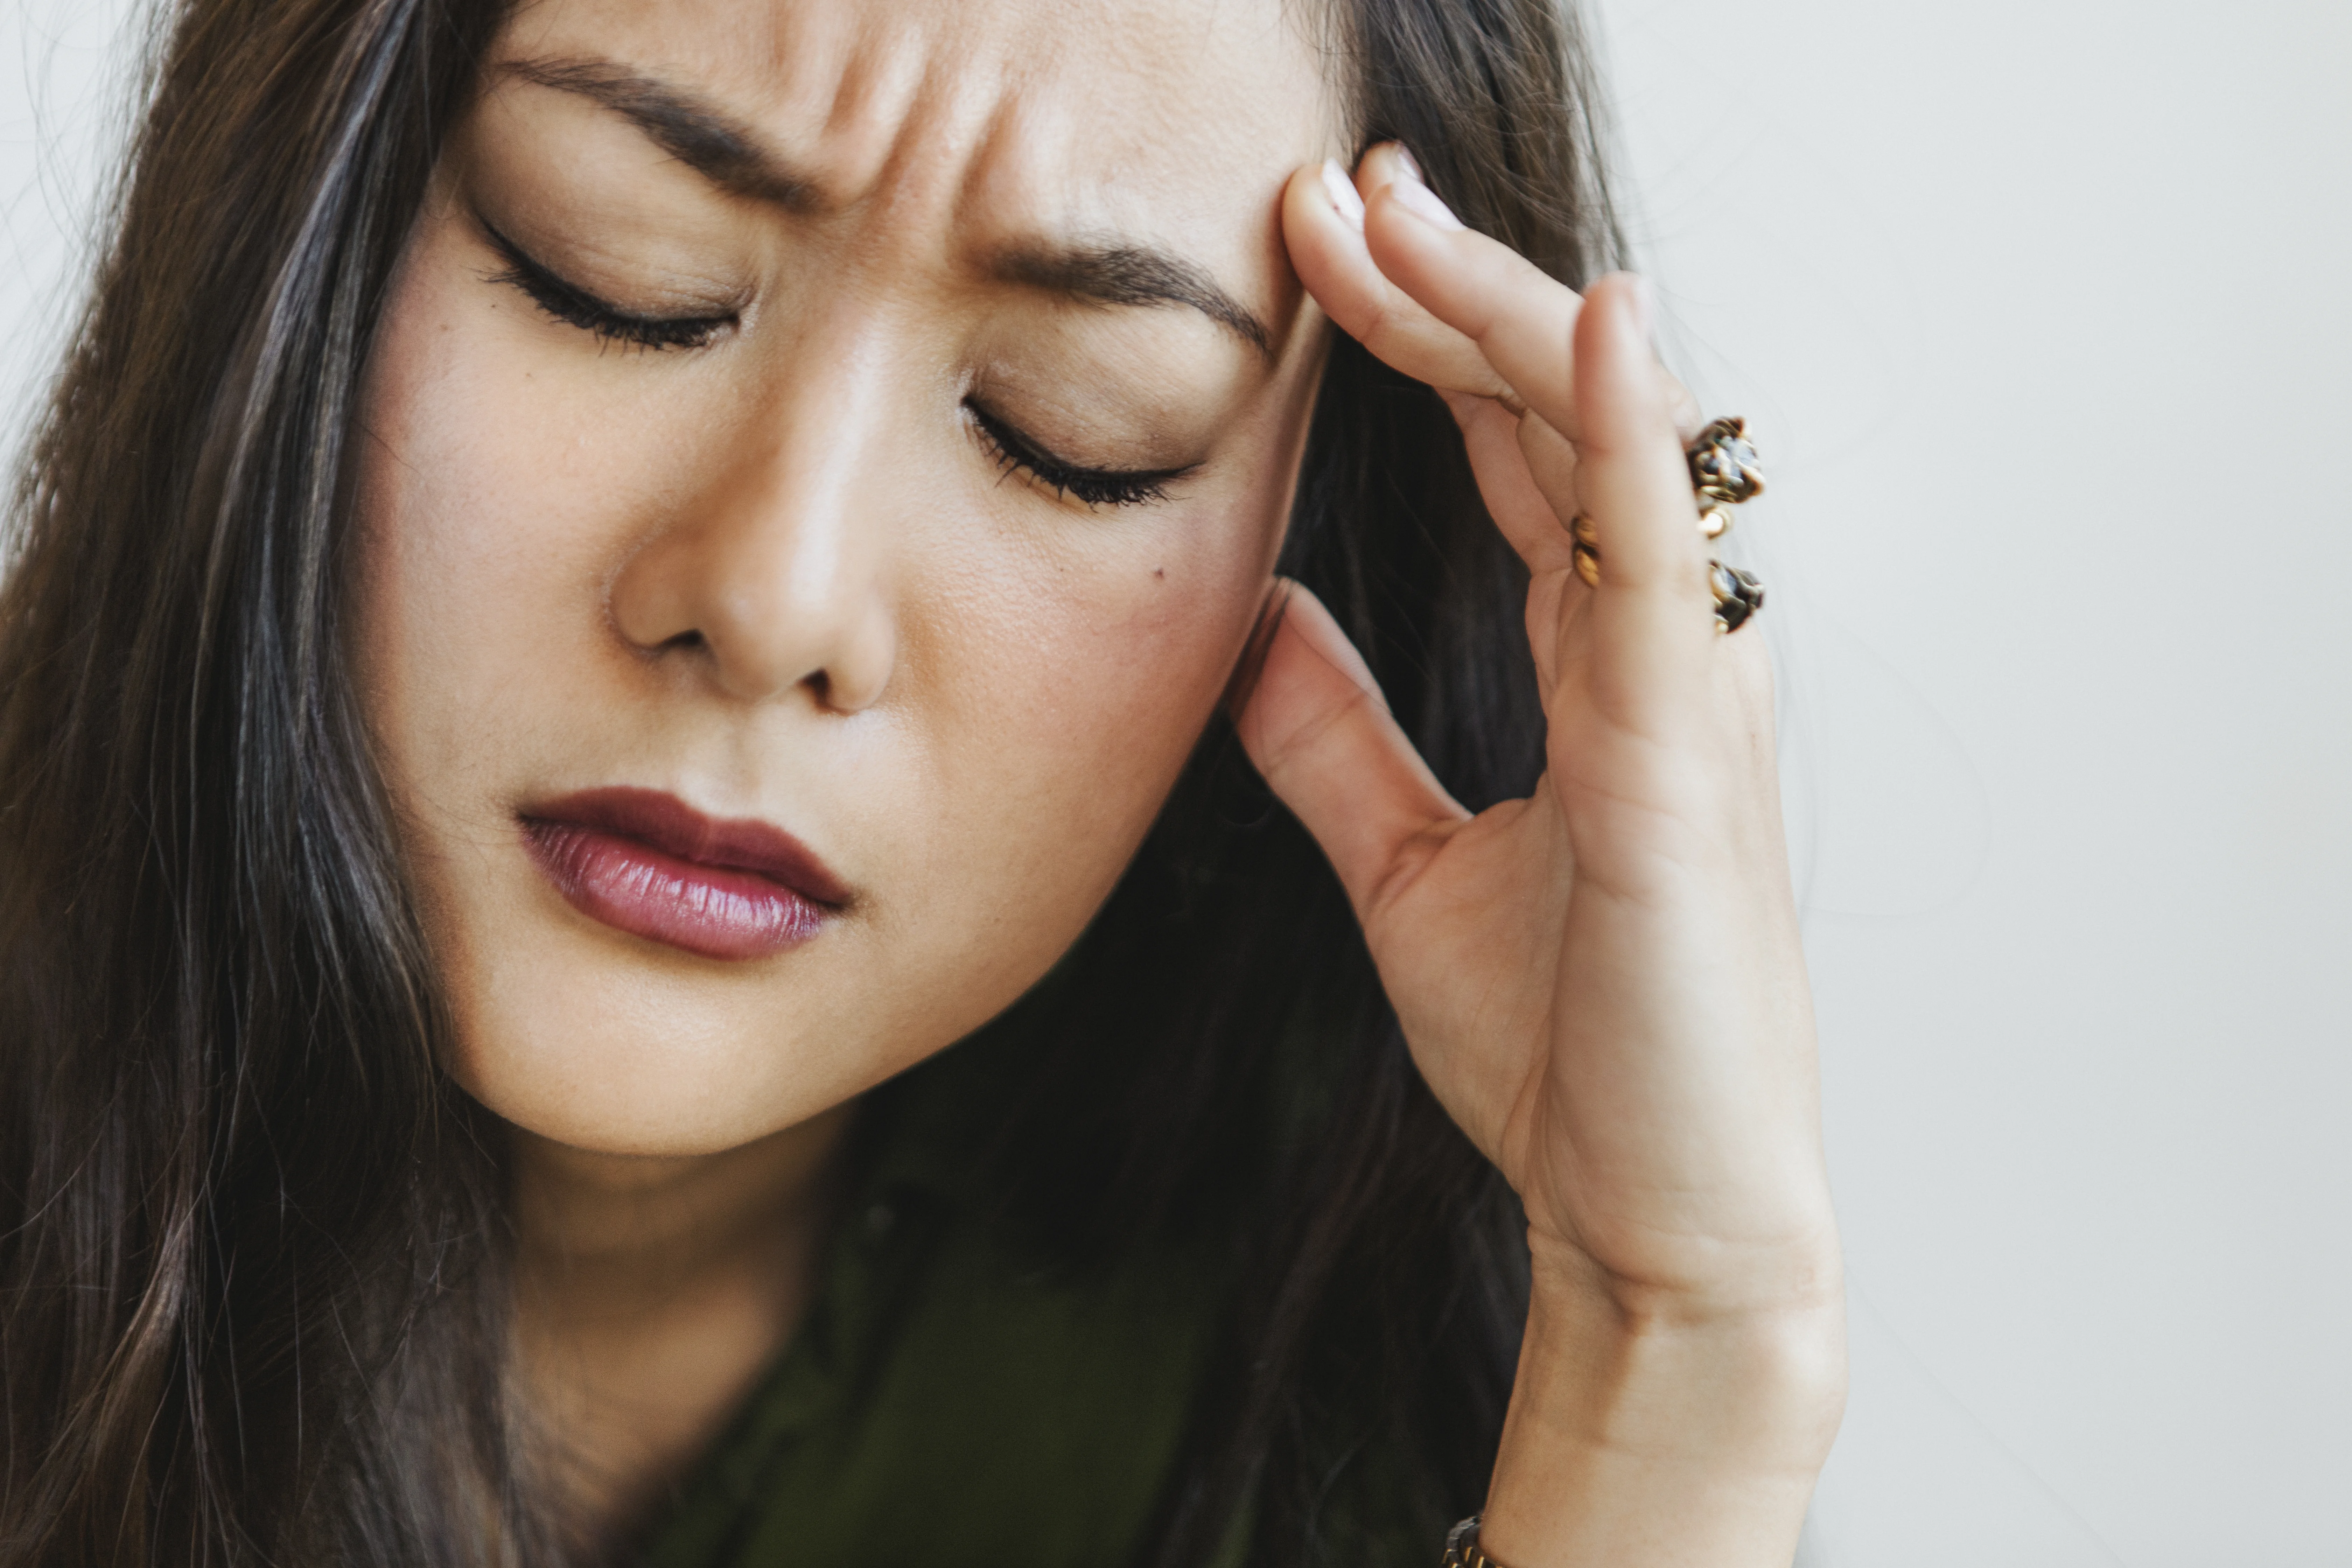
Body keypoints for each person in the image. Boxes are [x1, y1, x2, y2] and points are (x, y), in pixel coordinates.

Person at [0, 0, 1844, 1562]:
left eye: (1073, 429)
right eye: (618, 270)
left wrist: (1672, 1356)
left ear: (1316, 518)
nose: (773, 596)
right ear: (289, 229)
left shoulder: (1348, 1348)